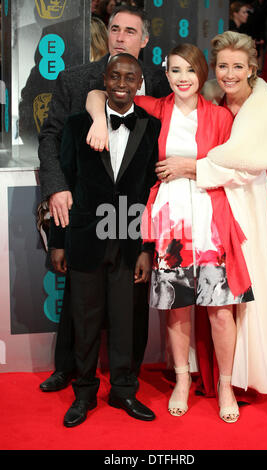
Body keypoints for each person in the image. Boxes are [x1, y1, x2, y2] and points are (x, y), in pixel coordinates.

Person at [86, 43, 256, 423]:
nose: (183, 78)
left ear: (202, 74)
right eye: (175, 70)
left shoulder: (220, 117)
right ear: (166, 74)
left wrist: (190, 167)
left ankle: (225, 385)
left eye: (190, 71)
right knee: (177, 310)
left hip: (211, 223)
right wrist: (98, 119)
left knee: (220, 312)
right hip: (170, 225)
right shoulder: (155, 108)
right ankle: (181, 379)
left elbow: (236, 168)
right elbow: (99, 93)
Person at [38, 4, 171, 393]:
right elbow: (52, 138)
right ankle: (71, 371)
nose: (120, 36)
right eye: (115, 28)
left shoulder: (165, 85)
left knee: (130, 298)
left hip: (135, 217)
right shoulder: (76, 79)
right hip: (83, 211)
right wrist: (55, 187)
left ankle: (125, 378)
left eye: (131, 31)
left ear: (144, 41)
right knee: (81, 299)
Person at [49, 53, 161, 427]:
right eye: (115, 76)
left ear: (139, 83)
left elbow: (149, 191)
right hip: (85, 237)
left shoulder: (152, 126)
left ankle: (124, 390)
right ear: (104, 78)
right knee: (85, 318)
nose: (121, 84)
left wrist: (147, 247)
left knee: (126, 318)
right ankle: (83, 393)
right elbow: (63, 187)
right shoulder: (78, 124)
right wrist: (58, 241)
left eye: (130, 78)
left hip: (129, 236)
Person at [194, 30, 267, 418]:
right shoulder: (215, 99)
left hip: (246, 206)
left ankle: (233, 381)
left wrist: (194, 168)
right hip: (213, 205)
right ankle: (210, 371)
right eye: (222, 66)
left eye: (237, 66)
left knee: (243, 293)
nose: (229, 73)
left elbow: (245, 164)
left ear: (252, 68)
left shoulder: (262, 106)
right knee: (215, 297)